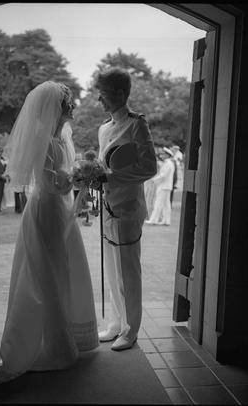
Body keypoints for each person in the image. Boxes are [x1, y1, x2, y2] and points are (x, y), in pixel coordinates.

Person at [0, 81, 98, 402]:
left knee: (62, 272)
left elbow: (63, 177)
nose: (72, 107)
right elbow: (52, 183)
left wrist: (81, 173)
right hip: (45, 213)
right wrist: (80, 177)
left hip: (62, 211)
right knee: (43, 279)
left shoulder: (62, 137)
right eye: (67, 103)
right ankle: (36, 348)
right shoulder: (42, 137)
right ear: (55, 107)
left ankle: (61, 338)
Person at [94, 67, 157, 351]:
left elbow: (149, 167)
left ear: (120, 94)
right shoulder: (104, 128)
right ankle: (117, 323)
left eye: (103, 94)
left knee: (128, 271)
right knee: (112, 269)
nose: (99, 100)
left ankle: (131, 330)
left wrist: (109, 178)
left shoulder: (136, 125)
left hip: (128, 209)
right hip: (107, 209)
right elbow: (103, 166)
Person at [147, 147, 175, 226]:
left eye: (164, 154)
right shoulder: (168, 163)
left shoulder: (168, 164)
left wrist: (154, 180)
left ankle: (153, 220)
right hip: (166, 186)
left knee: (158, 203)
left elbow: (163, 176)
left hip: (164, 186)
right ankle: (166, 221)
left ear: (167, 155)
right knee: (166, 205)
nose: (162, 155)